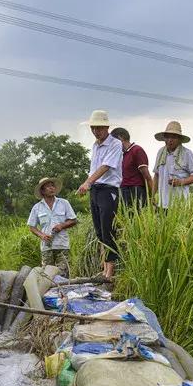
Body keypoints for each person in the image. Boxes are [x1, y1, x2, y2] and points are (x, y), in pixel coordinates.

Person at [77, 110, 123, 279]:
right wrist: (87, 184)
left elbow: (105, 167)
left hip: (108, 190)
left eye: (99, 128)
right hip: (95, 190)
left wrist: (88, 182)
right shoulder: (95, 145)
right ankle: (104, 269)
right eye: (93, 128)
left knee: (108, 229)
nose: (96, 131)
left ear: (107, 127)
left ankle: (110, 272)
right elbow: (94, 170)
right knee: (99, 232)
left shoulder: (115, 144)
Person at [27, 177, 78, 277]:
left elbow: (73, 220)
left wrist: (62, 225)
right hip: (46, 246)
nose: (52, 188)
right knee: (47, 276)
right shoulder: (37, 207)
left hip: (62, 244)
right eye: (48, 186)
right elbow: (32, 227)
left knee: (63, 275)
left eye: (52, 186)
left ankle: (63, 292)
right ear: (42, 190)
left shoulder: (64, 203)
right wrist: (41, 235)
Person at [152, 121, 193, 208]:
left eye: (173, 137)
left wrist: (181, 182)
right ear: (164, 138)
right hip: (162, 204)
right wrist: (151, 196)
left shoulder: (186, 153)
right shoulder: (160, 152)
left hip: (180, 205)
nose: (170, 140)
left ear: (179, 139)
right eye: (167, 137)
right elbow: (156, 175)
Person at [111, 127, 153, 209]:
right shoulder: (122, 155)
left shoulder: (137, 150)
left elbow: (147, 176)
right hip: (124, 191)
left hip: (136, 191)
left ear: (120, 138)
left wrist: (151, 196)